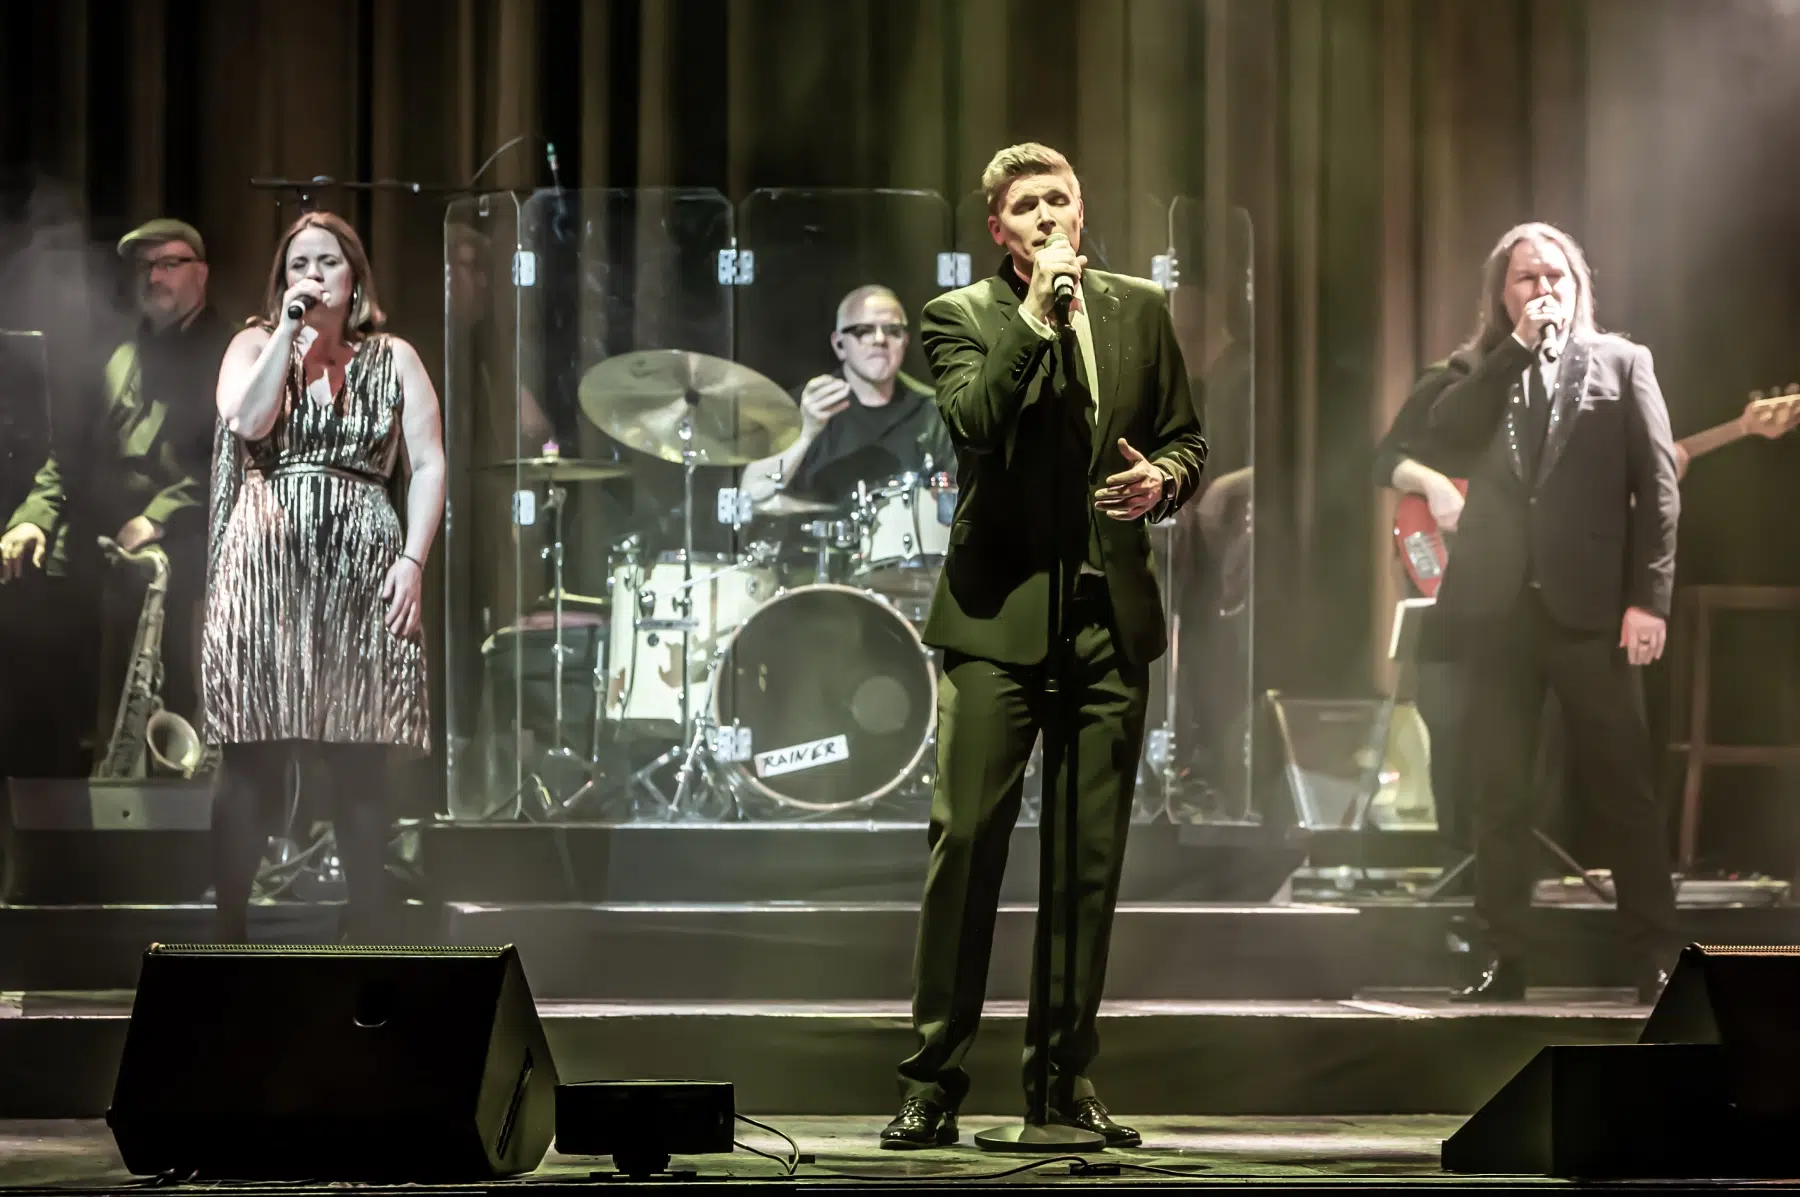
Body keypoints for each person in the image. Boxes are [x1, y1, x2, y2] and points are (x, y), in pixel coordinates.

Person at [882, 144, 1206, 1149]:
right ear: (1001, 230)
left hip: (1110, 615)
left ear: (1082, 206)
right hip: (997, 619)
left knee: (1085, 858)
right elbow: (976, 422)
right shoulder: (961, 316)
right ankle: (933, 1080)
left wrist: (1163, 481)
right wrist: (1034, 316)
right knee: (967, 844)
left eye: (1060, 197)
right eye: (1027, 206)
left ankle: (1062, 1082)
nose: (1048, 215)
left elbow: (1188, 438)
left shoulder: (1139, 310)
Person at [1414, 221, 1681, 1004]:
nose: (1543, 290)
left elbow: (1658, 491)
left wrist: (1648, 600)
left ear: (1577, 286)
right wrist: (1512, 352)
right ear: (1503, 295)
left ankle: (1656, 957)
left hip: (1592, 609)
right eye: (1527, 278)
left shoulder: (1622, 364)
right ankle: (1505, 958)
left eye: (1555, 276)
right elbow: (1444, 439)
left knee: (1622, 785)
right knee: (1499, 791)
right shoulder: (1479, 373)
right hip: (1499, 612)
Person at [205, 211, 445, 943]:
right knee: (252, 752)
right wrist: (288, 333)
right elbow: (247, 422)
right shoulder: (254, 343)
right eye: (299, 264)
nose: (313, 274)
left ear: (356, 277)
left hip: (364, 565)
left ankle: (366, 929)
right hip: (264, 568)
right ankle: (227, 932)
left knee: (359, 752)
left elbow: (429, 463)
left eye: (328, 262)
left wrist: (413, 561)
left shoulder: (394, 357)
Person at [1, 218, 232, 749]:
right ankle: (55, 754)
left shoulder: (231, 351)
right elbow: (67, 457)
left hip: (188, 534)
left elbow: (229, 461)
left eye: (169, 264)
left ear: (201, 273)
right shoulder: (118, 354)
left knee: (158, 579)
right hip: (103, 530)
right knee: (29, 571)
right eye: (145, 267)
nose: (154, 277)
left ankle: (153, 758)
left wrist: (157, 518)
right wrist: (32, 520)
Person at [741, 285, 954, 506]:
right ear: (839, 344)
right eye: (864, 331)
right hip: (817, 529)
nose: (880, 339)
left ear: (905, 341)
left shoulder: (934, 412)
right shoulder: (805, 406)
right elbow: (751, 494)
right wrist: (806, 433)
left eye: (893, 330)